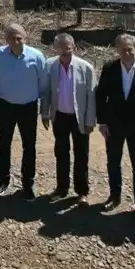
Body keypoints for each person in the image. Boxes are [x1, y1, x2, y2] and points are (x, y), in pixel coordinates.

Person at [95, 33, 135, 221]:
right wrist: (103, 122)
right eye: (122, 49)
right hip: (114, 126)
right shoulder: (110, 68)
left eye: (129, 49)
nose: (126, 53)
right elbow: (101, 96)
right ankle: (114, 196)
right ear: (117, 50)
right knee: (113, 163)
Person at [0, 23, 46, 200]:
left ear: (25, 37)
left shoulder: (36, 56)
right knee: (3, 144)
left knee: (29, 146)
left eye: (19, 38)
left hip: (28, 107)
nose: (16, 41)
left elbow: (43, 83)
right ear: (6, 39)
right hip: (5, 105)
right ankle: (3, 180)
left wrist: (44, 110)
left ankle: (28, 184)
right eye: (12, 38)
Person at [40, 33, 96, 205]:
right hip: (60, 117)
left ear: (73, 47)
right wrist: (45, 114)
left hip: (79, 119)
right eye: (61, 49)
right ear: (55, 49)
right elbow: (46, 92)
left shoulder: (86, 68)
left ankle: (82, 192)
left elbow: (91, 97)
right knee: (61, 153)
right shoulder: (50, 66)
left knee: (81, 155)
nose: (65, 52)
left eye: (68, 48)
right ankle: (61, 188)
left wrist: (90, 121)